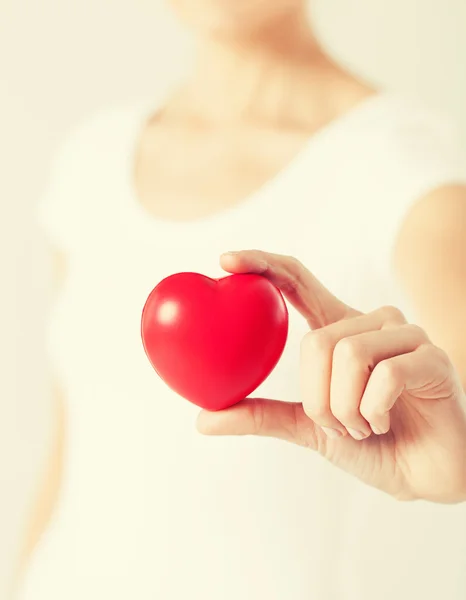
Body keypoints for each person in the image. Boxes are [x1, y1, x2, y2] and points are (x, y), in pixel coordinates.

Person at [18, 0, 466, 599]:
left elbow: (452, 438)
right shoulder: (90, 160)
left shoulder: (406, 170)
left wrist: (451, 469)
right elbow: (70, 457)